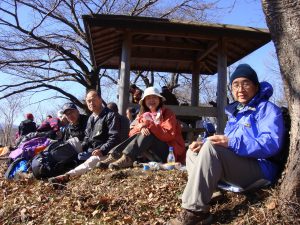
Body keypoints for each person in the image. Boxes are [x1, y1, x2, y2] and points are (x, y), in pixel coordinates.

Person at [167, 64, 285, 225]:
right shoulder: (235, 113)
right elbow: (226, 146)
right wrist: (205, 145)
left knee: (211, 148)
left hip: (261, 168)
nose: (240, 89)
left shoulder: (268, 109)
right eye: (235, 85)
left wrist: (230, 142)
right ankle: (212, 191)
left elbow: (271, 143)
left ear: (256, 86)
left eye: (246, 83)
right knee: (193, 151)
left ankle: (196, 211)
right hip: (241, 164)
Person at [97, 86, 186, 170]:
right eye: (148, 98)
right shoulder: (142, 115)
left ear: (159, 100)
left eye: (154, 97)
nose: (151, 100)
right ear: (144, 102)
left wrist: (148, 125)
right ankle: (114, 156)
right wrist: (140, 128)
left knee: (149, 133)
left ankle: (127, 158)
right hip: (149, 152)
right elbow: (131, 133)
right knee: (144, 132)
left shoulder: (168, 113)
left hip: (169, 153)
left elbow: (168, 135)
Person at [48, 90, 120, 184]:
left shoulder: (110, 115)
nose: (91, 103)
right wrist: (81, 147)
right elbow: (87, 137)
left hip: (105, 152)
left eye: (93, 100)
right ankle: (47, 166)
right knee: (66, 149)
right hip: (90, 150)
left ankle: (65, 177)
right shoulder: (91, 117)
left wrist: (102, 150)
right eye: (88, 101)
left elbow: (114, 137)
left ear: (100, 100)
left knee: (90, 162)